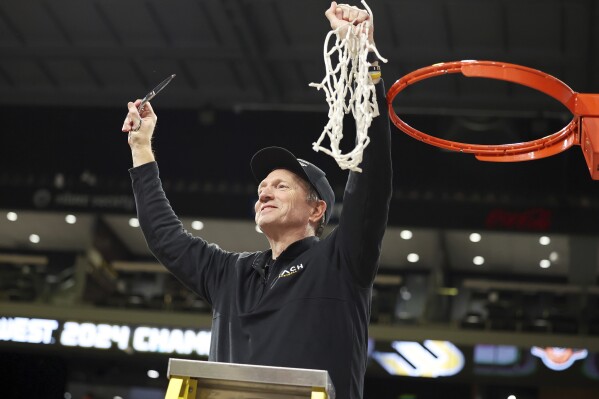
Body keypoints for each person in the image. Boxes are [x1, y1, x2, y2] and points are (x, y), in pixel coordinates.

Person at [121, 2, 392, 398]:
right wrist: (141, 147)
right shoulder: (231, 273)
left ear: (317, 209)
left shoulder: (341, 261)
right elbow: (165, 237)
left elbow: (373, 184)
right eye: (263, 186)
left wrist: (365, 58)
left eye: (282, 186)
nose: (264, 190)